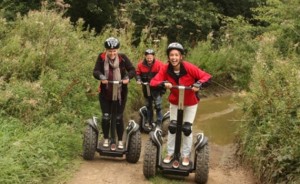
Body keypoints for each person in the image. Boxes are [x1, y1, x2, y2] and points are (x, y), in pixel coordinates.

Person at [150, 42, 212, 166]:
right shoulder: (165, 68)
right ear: (168, 57)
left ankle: (185, 155)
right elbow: (153, 82)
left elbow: (206, 76)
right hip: (175, 102)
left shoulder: (189, 67)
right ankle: (170, 153)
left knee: (187, 129)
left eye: (176, 55)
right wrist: (163, 83)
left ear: (181, 57)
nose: (174, 58)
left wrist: (198, 84)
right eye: (171, 55)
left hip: (190, 102)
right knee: (172, 127)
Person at [93, 37, 136, 150]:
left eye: (114, 51)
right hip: (105, 92)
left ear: (117, 50)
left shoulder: (123, 58)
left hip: (120, 92)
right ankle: (106, 139)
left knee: (118, 117)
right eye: (109, 51)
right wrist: (102, 77)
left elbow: (132, 70)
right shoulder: (101, 57)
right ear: (106, 50)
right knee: (106, 117)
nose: (112, 53)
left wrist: (127, 77)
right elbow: (96, 71)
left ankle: (120, 140)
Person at [136, 49, 165, 127]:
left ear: (153, 57)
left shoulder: (159, 64)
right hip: (146, 88)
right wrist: (138, 80)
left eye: (150, 58)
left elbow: (163, 74)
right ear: (145, 57)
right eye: (148, 58)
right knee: (148, 105)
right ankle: (149, 121)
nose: (149, 59)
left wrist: (161, 82)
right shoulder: (140, 65)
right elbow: (138, 73)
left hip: (157, 89)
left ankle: (159, 121)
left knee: (158, 105)